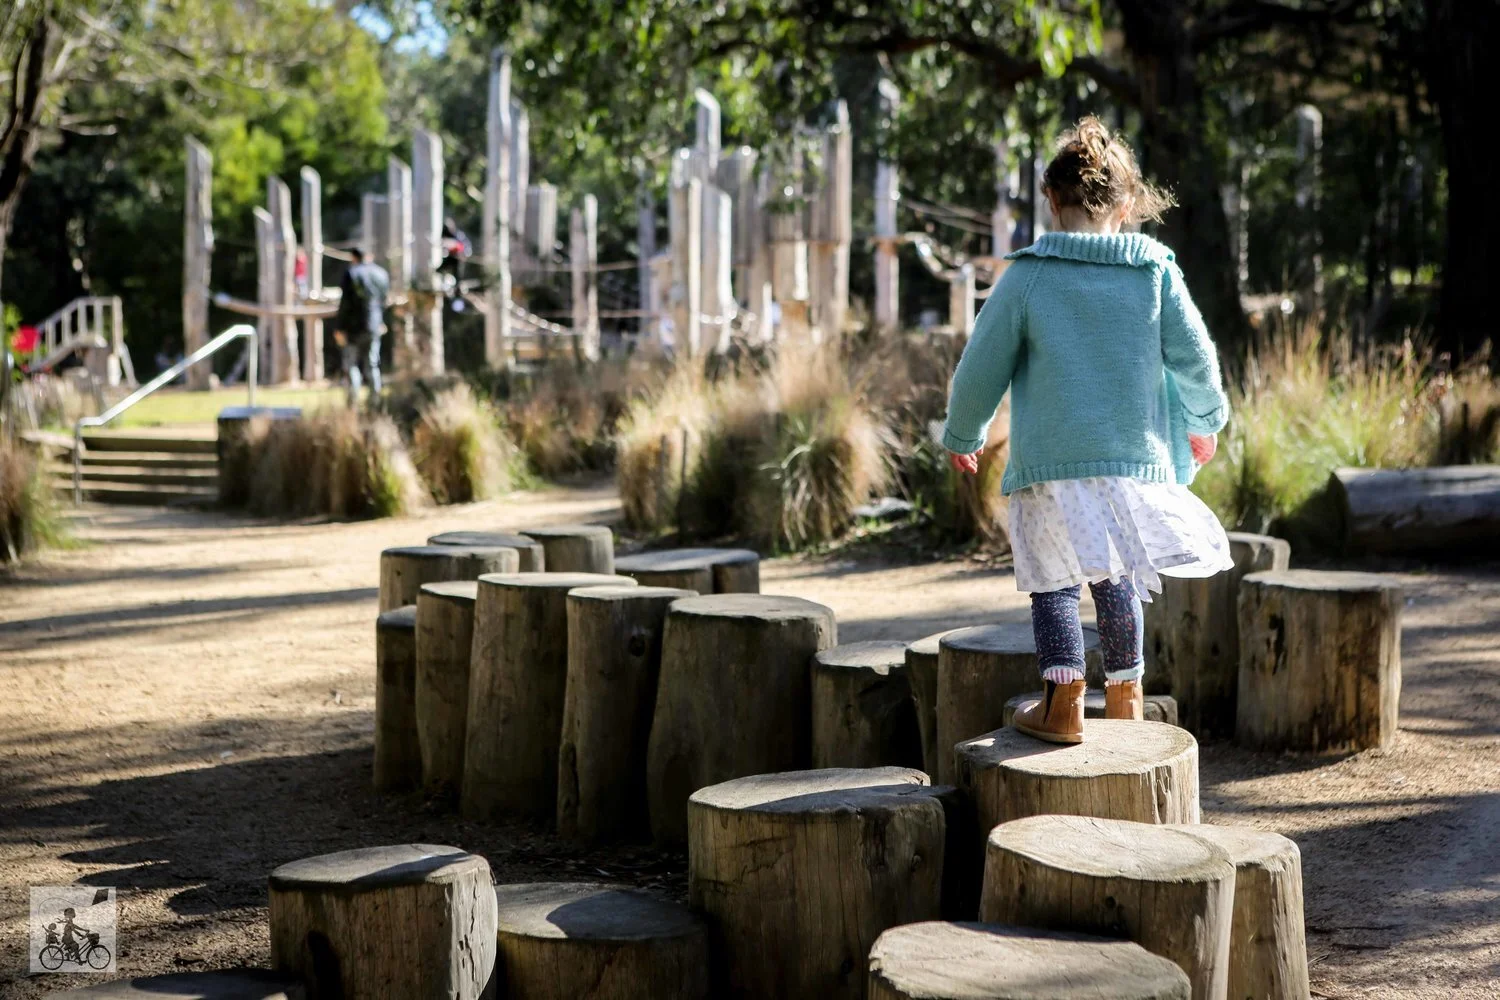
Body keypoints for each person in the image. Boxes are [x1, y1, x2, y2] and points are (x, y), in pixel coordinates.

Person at [941, 116, 1231, 744]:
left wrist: (964, 433)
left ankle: (1063, 702)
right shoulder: (1155, 273)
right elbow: (1197, 360)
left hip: (1050, 463)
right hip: (1131, 464)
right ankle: (1126, 697)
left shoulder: (1028, 276)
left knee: (1052, 579)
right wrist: (1204, 421)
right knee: (1116, 576)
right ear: (1127, 207)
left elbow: (980, 367)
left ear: (1051, 199)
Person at [334, 248, 390, 405]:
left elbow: (345, 304)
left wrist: (339, 327)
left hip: (353, 327)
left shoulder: (351, 273)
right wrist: (381, 321)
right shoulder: (381, 274)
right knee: (372, 363)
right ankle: (375, 402)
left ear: (354, 257)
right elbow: (383, 301)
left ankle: (353, 404)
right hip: (374, 325)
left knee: (351, 363)